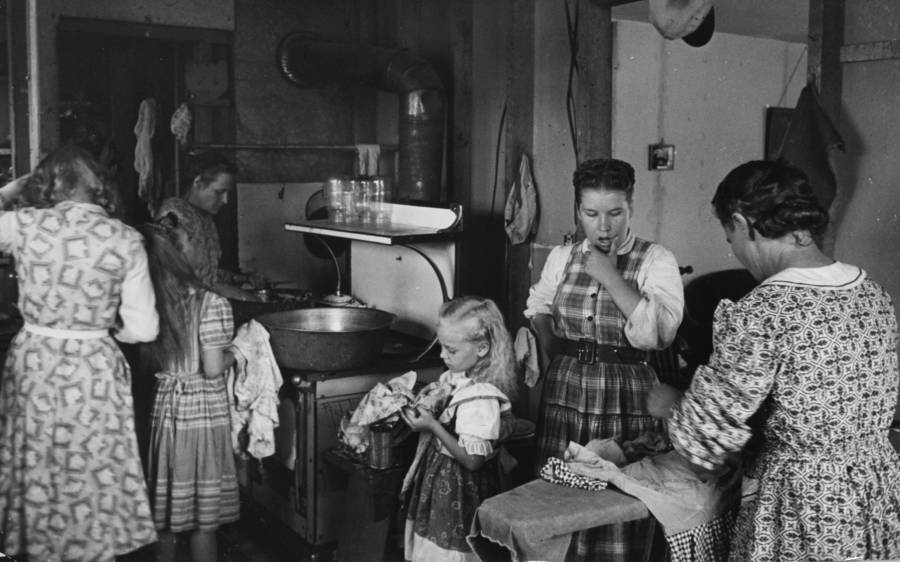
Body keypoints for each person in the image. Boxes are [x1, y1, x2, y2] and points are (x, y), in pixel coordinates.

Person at [648, 159, 900, 561]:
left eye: (731, 239)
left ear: (742, 223)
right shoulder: (872, 292)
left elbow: (706, 439)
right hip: (874, 492)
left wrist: (669, 404)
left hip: (804, 508)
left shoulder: (762, 311)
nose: (736, 253)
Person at [0, 145, 160, 560]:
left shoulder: (25, 225)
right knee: (93, 469)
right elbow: (145, 328)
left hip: (35, 363)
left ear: (46, 185)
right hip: (95, 367)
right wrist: (103, 330)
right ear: (100, 186)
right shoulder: (126, 239)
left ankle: (39, 546)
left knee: (40, 464)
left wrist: (6, 193)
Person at [524, 157, 684, 561]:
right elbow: (539, 306)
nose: (603, 226)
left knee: (615, 498)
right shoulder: (562, 257)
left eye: (615, 213)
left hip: (626, 394)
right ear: (578, 210)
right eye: (591, 214)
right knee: (560, 497)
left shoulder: (655, 259)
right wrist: (554, 351)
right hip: (567, 391)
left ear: (631, 205)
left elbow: (657, 334)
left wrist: (612, 277)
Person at [140, 212, 240, 562]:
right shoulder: (211, 303)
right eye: (193, 241)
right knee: (202, 522)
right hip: (201, 419)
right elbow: (213, 369)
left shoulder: (155, 302)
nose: (200, 246)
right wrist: (241, 349)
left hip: (166, 414)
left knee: (167, 517)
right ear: (181, 253)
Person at [400, 296, 518, 562]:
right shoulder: (458, 378)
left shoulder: (482, 397)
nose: (442, 355)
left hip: (462, 490)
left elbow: (473, 461)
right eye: (442, 346)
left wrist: (431, 426)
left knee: (455, 552)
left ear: (482, 348)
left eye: (451, 350)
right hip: (444, 483)